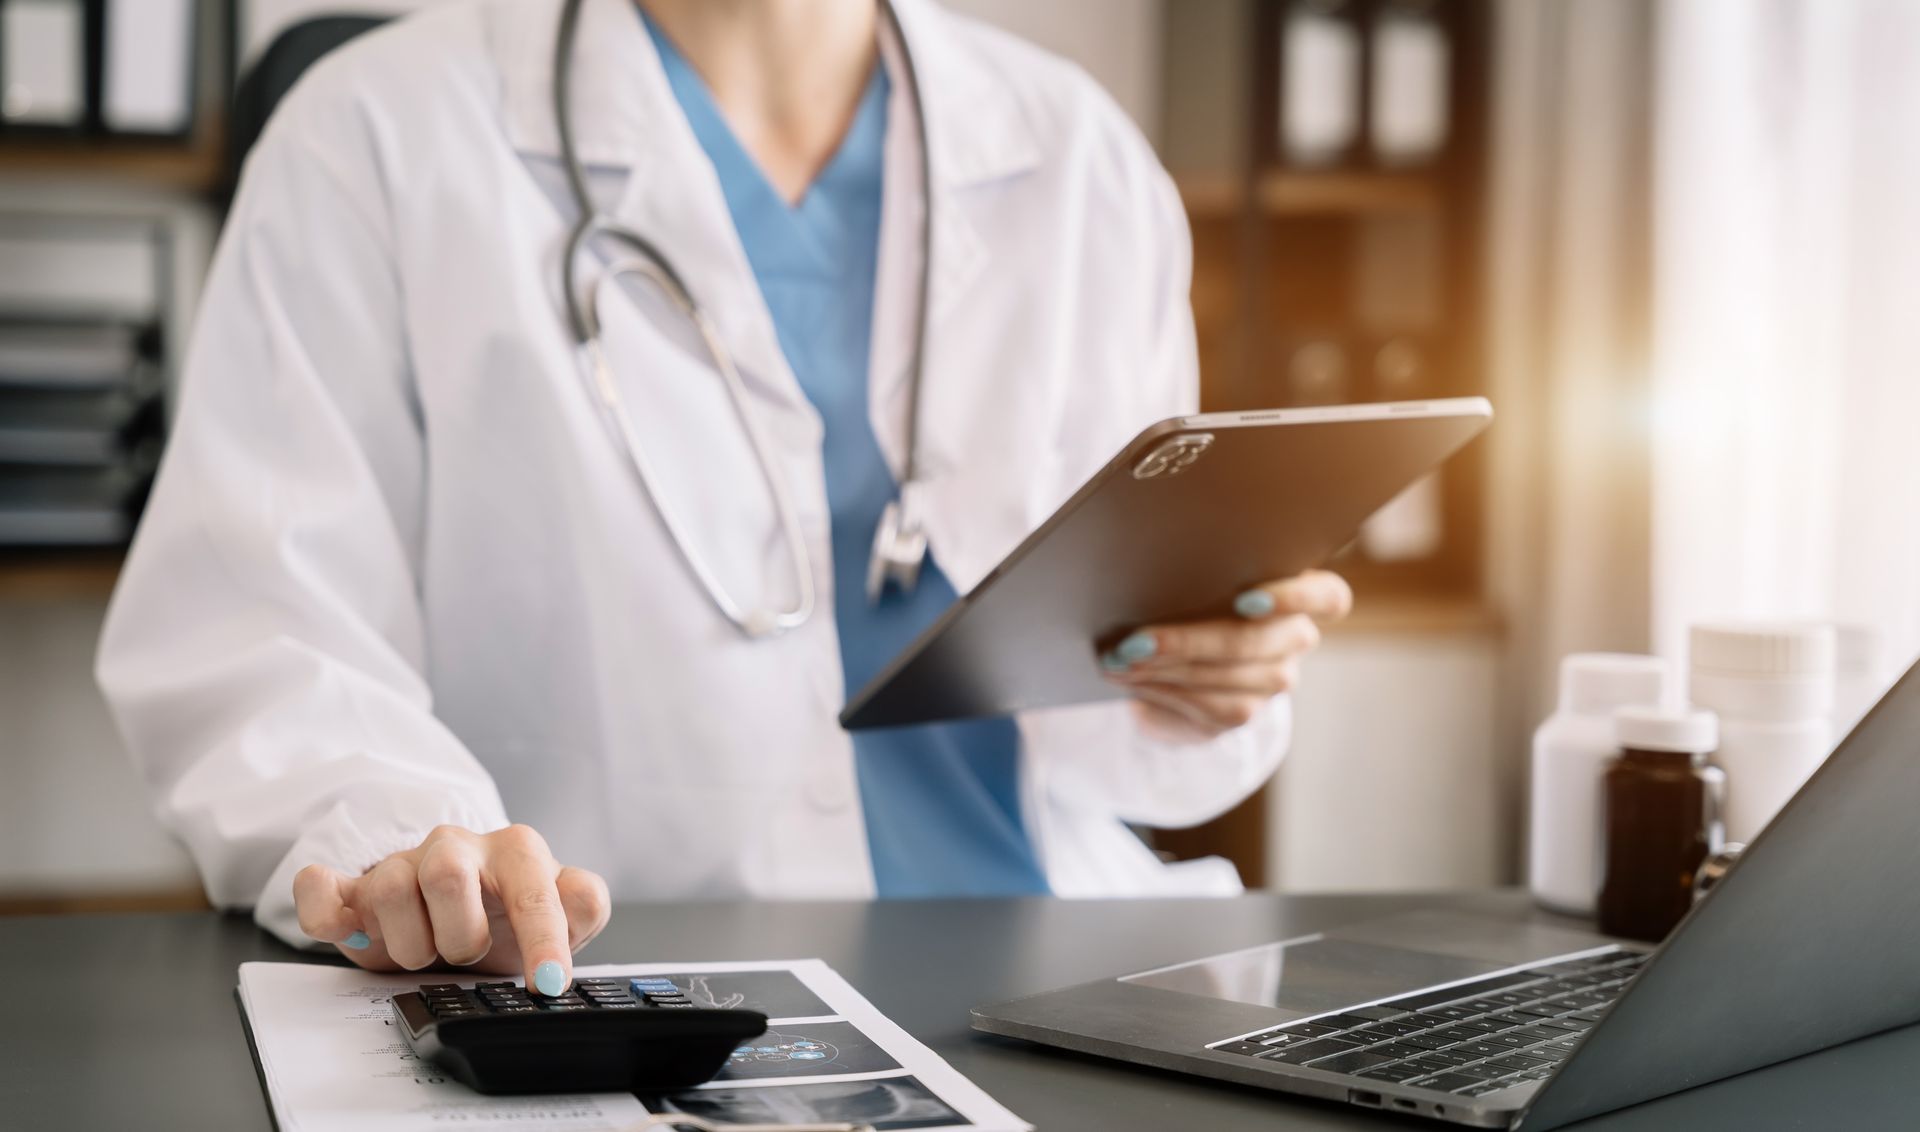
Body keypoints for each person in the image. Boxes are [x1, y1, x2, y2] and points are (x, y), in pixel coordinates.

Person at [97, 0, 1351, 1000]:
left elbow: (1123, 700)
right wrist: (419, 851)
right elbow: (260, 633)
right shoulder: (371, 135)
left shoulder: (1078, 158)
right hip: (614, 986)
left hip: (1045, 974)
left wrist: (1199, 673)